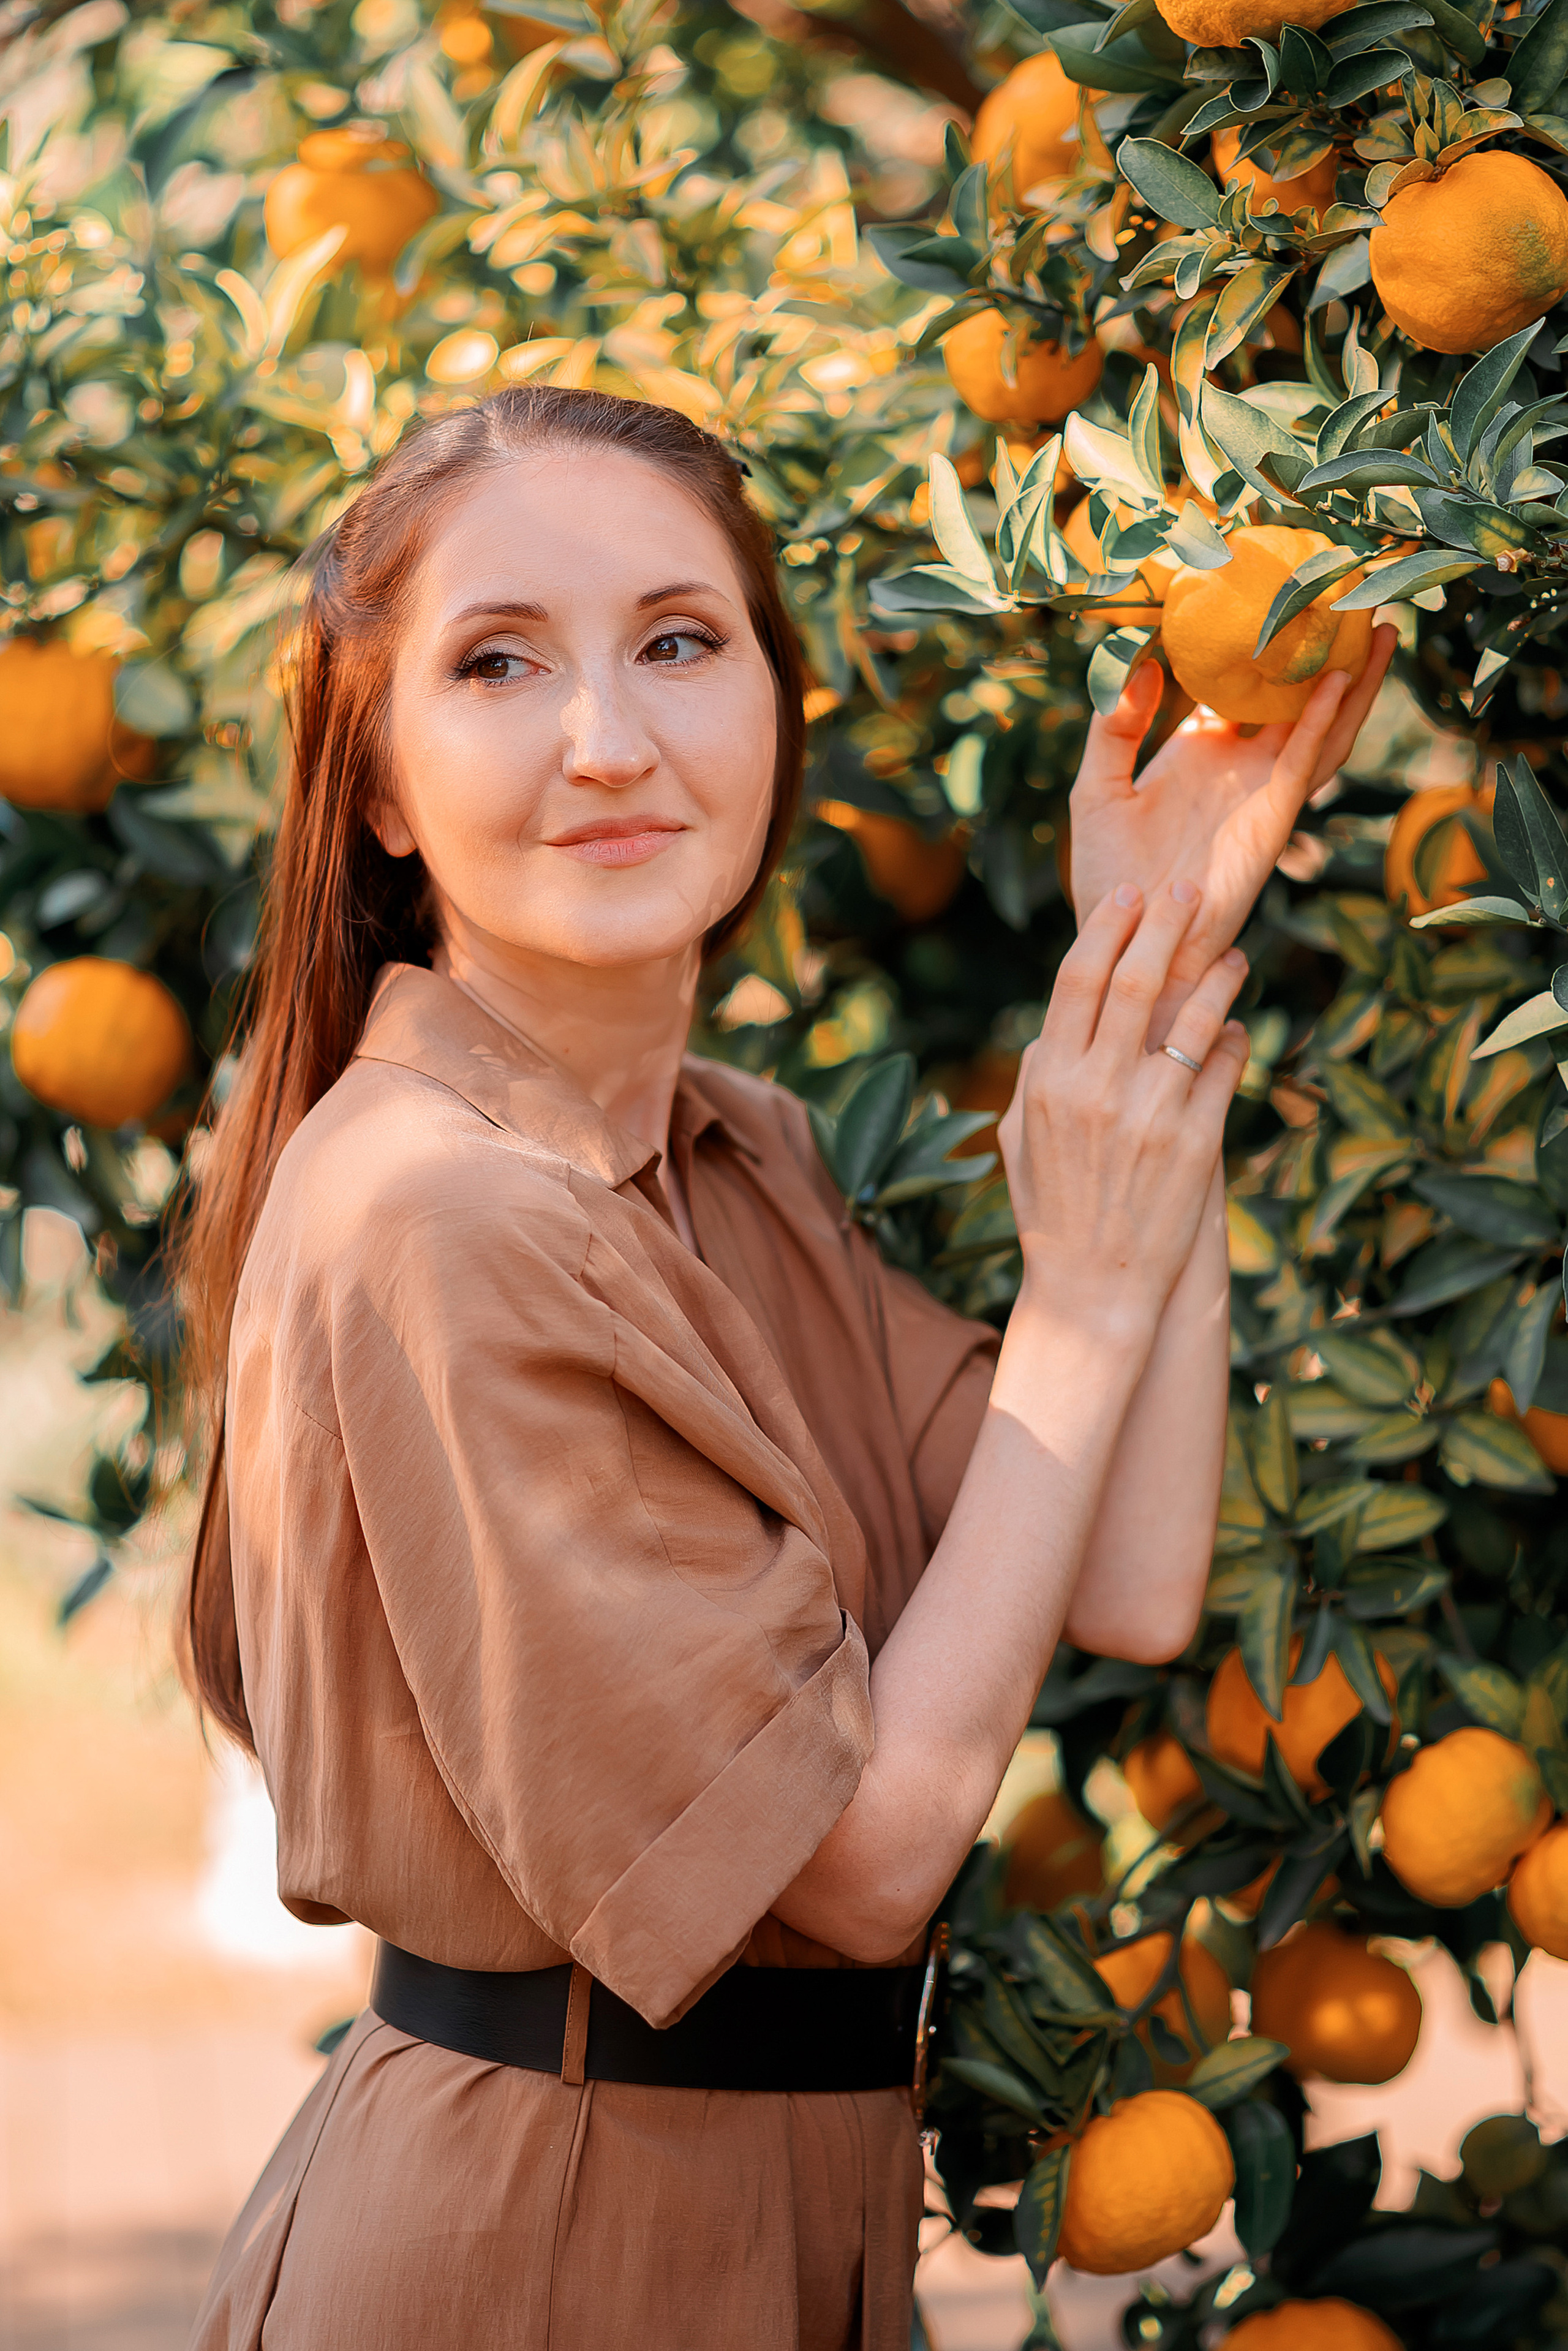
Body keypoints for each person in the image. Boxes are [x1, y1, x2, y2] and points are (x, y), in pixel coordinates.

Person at [177, 385, 1394, 2351]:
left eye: (679, 641)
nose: (612, 741)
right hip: (550, 2253)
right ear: (383, 782)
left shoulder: (742, 1153)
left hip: (789, 2232)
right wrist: (1078, 1287)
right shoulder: (438, 1215)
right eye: (501, 663)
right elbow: (867, 1861)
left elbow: (1126, 1572)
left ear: (773, 707)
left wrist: (1155, 972)